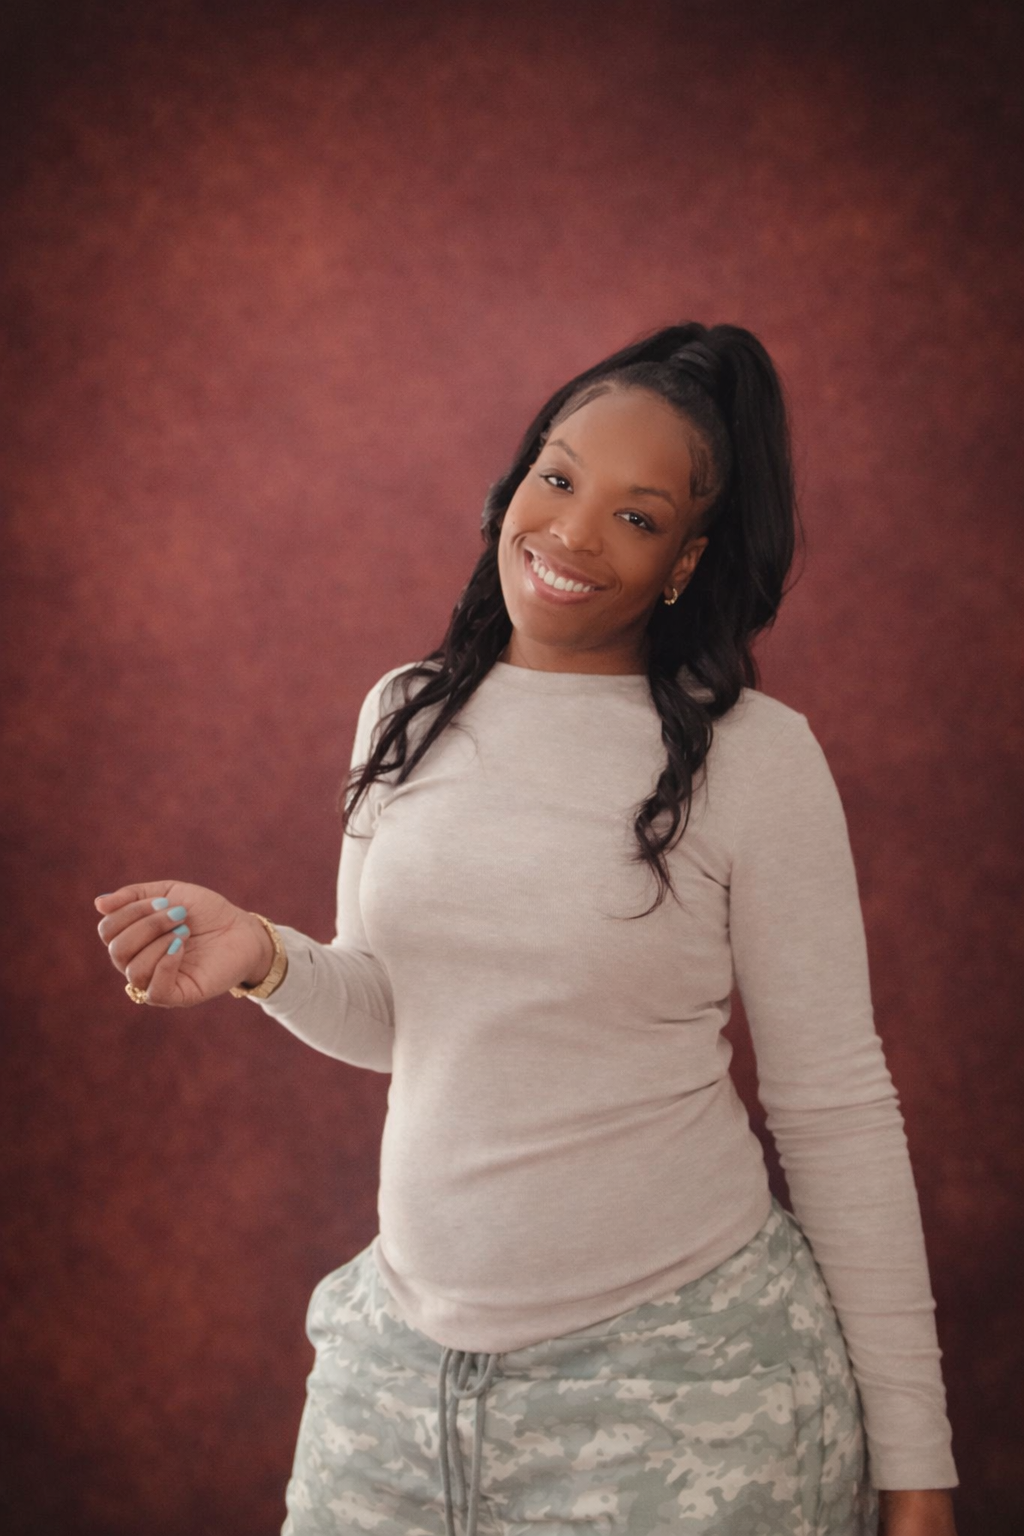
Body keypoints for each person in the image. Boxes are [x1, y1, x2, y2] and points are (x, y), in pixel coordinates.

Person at [94, 321, 959, 1535]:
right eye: (558, 478)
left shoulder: (754, 759)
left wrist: (916, 1464)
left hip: (682, 1388)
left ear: (684, 561)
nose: (571, 533)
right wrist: (266, 960)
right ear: (514, 485)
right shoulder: (406, 713)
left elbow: (836, 1109)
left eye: (635, 515)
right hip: (401, 1381)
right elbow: (406, 1022)